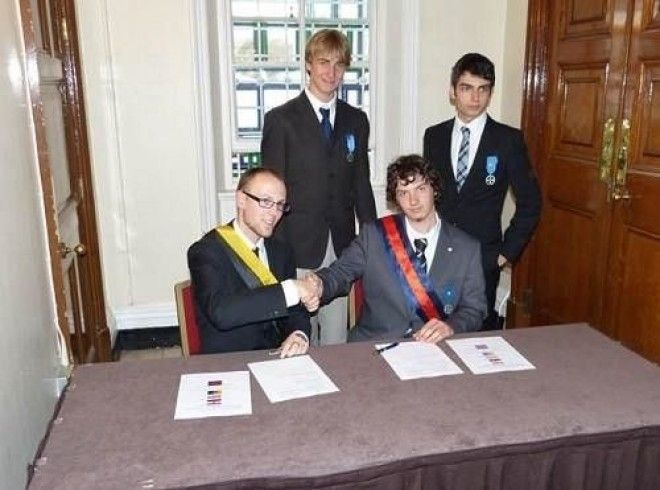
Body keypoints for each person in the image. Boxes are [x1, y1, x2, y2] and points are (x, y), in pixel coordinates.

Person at [261, 28, 377, 346]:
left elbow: (361, 184)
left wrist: (372, 240)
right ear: (309, 65)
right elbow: (271, 191)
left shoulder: (356, 120)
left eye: (339, 64)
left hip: (340, 245)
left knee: (337, 336)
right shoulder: (281, 120)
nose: (331, 72)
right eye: (324, 62)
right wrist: (274, 250)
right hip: (296, 244)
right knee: (301, 334)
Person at [307, 155, 486, 343]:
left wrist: (451, 326)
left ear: (434, 190)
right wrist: (319, 284)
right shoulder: (374, 235)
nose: (413, 201)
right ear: (396, 199)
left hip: (433, 348)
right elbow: (340, 273)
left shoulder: (467, 248)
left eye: (420, 189)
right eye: (403, 193)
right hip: (375, 345)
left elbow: (474, 309)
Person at [423, 53, 541, 330]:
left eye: (483, 89)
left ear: (490, 93)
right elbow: (430, 194)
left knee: (477, 334)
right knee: (434, 329)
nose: (475, 97)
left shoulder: (507, 140)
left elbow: (531, 202)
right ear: (453, 92)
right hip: (438, 254)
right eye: (467, 88)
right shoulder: (434, 136)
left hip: (483, 258)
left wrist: (505, 254)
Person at [187, 168, 318, 356]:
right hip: (228, 361)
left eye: (280, 205)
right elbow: (221, 312)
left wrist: (299, 334)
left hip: (275, 358)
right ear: (241, 199)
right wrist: (290, 290)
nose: (274, 213)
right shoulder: (207, 251)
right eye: (266, 202)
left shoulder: (282, 251)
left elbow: (295, 312)